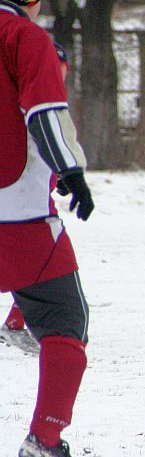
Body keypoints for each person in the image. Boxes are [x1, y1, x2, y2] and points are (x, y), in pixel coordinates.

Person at [0, 0, 95, 457]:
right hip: (17, 213)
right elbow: (43, 111)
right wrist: (71, 172)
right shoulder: (25, 37)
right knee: (64, 322)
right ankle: (45, 441)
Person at [1, 42, 70, 354]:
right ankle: (17, 322)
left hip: (34, 200)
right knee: (34, 263)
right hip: (23, 204)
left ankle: (17, 321)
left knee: (33, 264)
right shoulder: (27, 101)